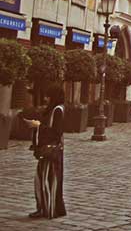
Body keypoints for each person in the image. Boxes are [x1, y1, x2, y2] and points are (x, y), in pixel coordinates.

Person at [24, 85, 66, 219]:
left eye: (48, 96)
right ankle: (44, 207)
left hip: (51, 151)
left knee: (48, 180)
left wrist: (38, 126)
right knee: (41, 179)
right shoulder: (52, 109)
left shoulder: (58, 110)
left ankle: (49, 209)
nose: (46, 99)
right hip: (47, 150)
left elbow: (56, 132)